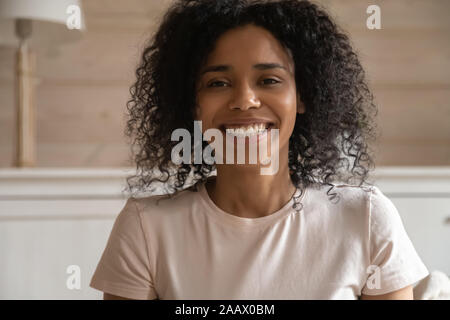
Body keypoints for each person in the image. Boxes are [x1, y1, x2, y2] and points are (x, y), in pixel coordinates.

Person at [89, 0, 429, 300]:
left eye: (268, 80)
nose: (244, 100)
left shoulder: (366, 218)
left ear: (303, 97)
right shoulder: (146, 228)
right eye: (218, 83)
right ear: (193, 105)